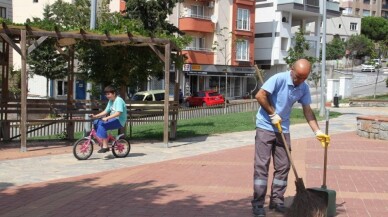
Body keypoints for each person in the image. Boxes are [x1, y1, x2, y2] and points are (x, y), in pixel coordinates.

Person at [251, 59, 330, 216]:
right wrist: (272, 114)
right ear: (291, 69)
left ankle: (277, 201)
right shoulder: (279, 78)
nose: (299, 80)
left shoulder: (303, 87)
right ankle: (258, 204)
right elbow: (260, 96)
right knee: (262, 166)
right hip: (265, 127)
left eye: (304, 78)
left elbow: (307, 110)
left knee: (284, 166)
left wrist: (317, 132)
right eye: (298, 76)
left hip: (283, 129)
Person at [90, 85, 127, 153]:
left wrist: (107, 118)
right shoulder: (110, 101)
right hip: (113, 119)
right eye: (106, 94)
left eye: (109, 94)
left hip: (119, 120)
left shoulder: (118, 100)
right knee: (96, 122)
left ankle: (105, 146)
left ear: (114, 93)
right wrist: (95, 116)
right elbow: (105, 111)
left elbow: (118, 113)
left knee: (102, 125)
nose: (107, 96)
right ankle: (103, 139)